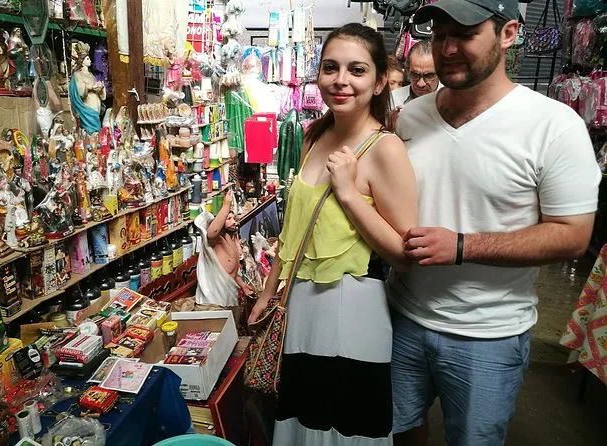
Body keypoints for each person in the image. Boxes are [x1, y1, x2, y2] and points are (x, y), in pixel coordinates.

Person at [390, 1, 602, 445]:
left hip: (487, 336)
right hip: (402, 317)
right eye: (439, 35)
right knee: (400, 433)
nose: (447, 48)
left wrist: (462, 246)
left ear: (508, 34)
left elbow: (572, 235)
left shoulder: (553, 126)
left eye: (465, 34)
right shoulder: (410, 116)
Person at [248, 23, 418, 445]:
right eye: (331, 68)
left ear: (379, 82)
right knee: (302, 418)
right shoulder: (315, 135)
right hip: (301, 304)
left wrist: (348, 193)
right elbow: (293, 229)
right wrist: (268, 293)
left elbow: (404, 253)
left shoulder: (385, 148)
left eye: (357, 70)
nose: (341, 80)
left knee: (341, 427)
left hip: (352, 308)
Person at [390, 39, 439, 108]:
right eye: (415, 75)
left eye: (428, 76)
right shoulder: (393, 99)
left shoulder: (451, 100)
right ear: (407, 70)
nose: (420, 84)